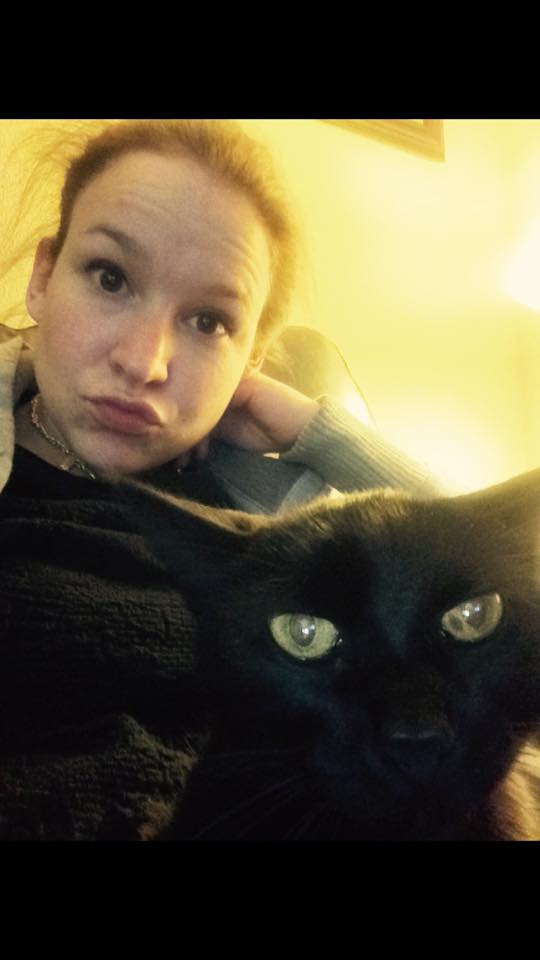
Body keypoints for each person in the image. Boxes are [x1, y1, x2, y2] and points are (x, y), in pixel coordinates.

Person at [0, 119, 442, 841]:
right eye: (110, 277)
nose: (144, 362)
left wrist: (314, 430)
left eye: (208, 322)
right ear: (44, 278)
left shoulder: (268, 518)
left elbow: (487, 585)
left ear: (250, 359)